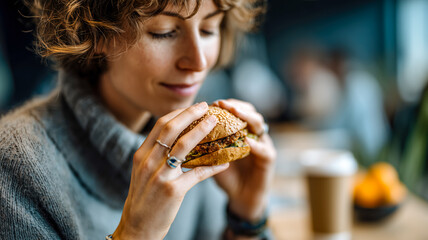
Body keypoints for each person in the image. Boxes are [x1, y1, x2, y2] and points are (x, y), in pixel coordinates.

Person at [0, 0, 276, 240]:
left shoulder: (198, 144)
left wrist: (247, 220)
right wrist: (135, 234)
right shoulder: (14, 166)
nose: (199, 61)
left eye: (208, 29)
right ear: (97, 33)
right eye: (164, 33)